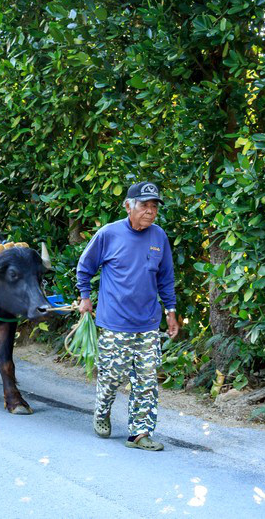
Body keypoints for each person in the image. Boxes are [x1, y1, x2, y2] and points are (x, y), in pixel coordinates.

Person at [76, 181, 180, 452]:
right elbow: (85, 267)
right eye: (144, 205)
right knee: (111, 377)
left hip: (147, 324)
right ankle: (102, 411)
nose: (150, 211)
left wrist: (170, 311)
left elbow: (166, 278)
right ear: (128, 206)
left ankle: (139, 434)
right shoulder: (109, 234)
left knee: (146, 381)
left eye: (154, 206)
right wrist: (85, 297)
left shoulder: (159, 237)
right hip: (115, 323)